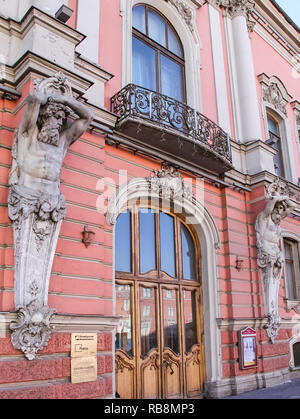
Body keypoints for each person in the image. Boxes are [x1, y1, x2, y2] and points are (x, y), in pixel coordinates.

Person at [8, 80, 93, 223]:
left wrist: (66, 100)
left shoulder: (62, 142)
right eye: (57, 117)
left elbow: (88, 117)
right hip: (26, 197)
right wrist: (47, 97)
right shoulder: (29, 134)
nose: (60, 123)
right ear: (46, 116)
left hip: (53, 201)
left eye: (62, 119)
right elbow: (34, 99)